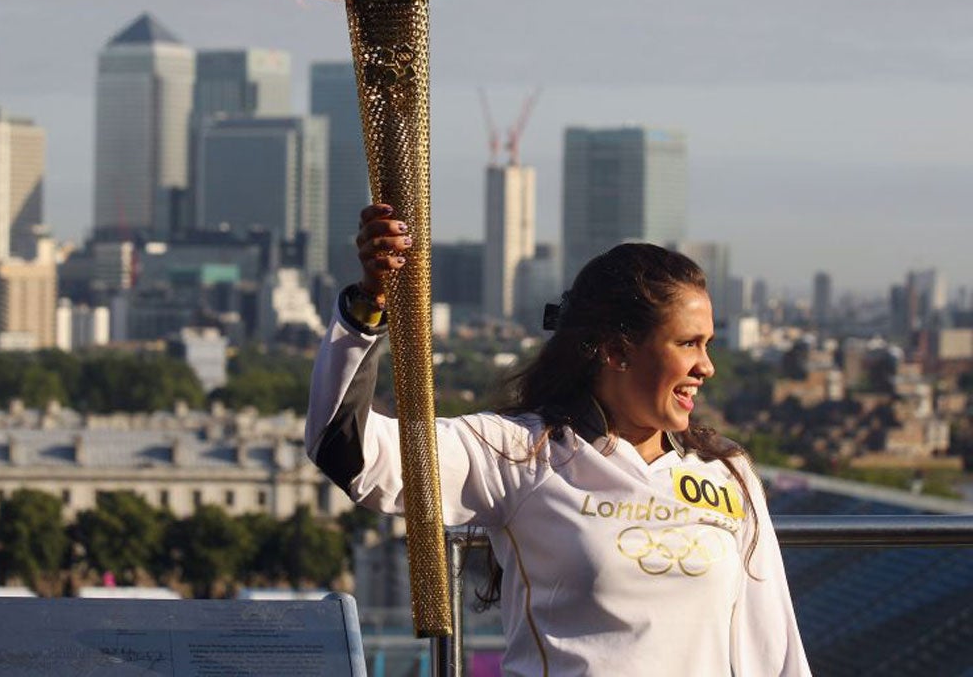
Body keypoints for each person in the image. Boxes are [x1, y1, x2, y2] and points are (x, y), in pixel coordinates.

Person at [306, 203, 811, 676]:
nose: (707, 366)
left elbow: (774, 651)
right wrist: (367, 307)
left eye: (708, 344)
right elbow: (346, 450)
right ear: (617, 351)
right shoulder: (519, 453)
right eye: (687, 344)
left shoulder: (725, 471)